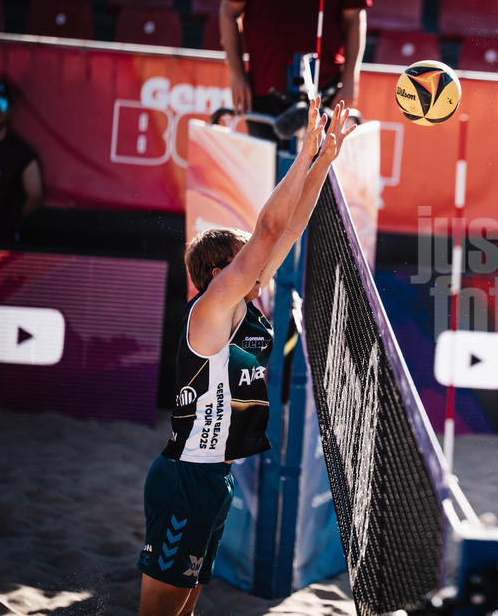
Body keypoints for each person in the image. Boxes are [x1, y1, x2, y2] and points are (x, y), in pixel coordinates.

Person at [137, 99, 355, 616]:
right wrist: (302, 153)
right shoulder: (211, 309)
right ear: (219, 272)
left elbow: (290, 231)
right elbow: (269, 232)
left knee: (184, 609)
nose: (260, 265)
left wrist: (326, 159)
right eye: (245, 260)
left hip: (215, 479)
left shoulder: (244, 307)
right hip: (185, 476)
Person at [219, 0, 371, 134]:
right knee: (266, 165)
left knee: (320, 165)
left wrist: (351, 77)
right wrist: (237, 74)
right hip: (264, 88)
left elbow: (354, 18)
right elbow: (229, 11)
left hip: (324, 90)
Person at [0, 78, 43, 244]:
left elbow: (35, 194)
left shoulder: (21, 153)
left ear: (10, 108)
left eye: (2, 103)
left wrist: (10, 221)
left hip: (3, 245)